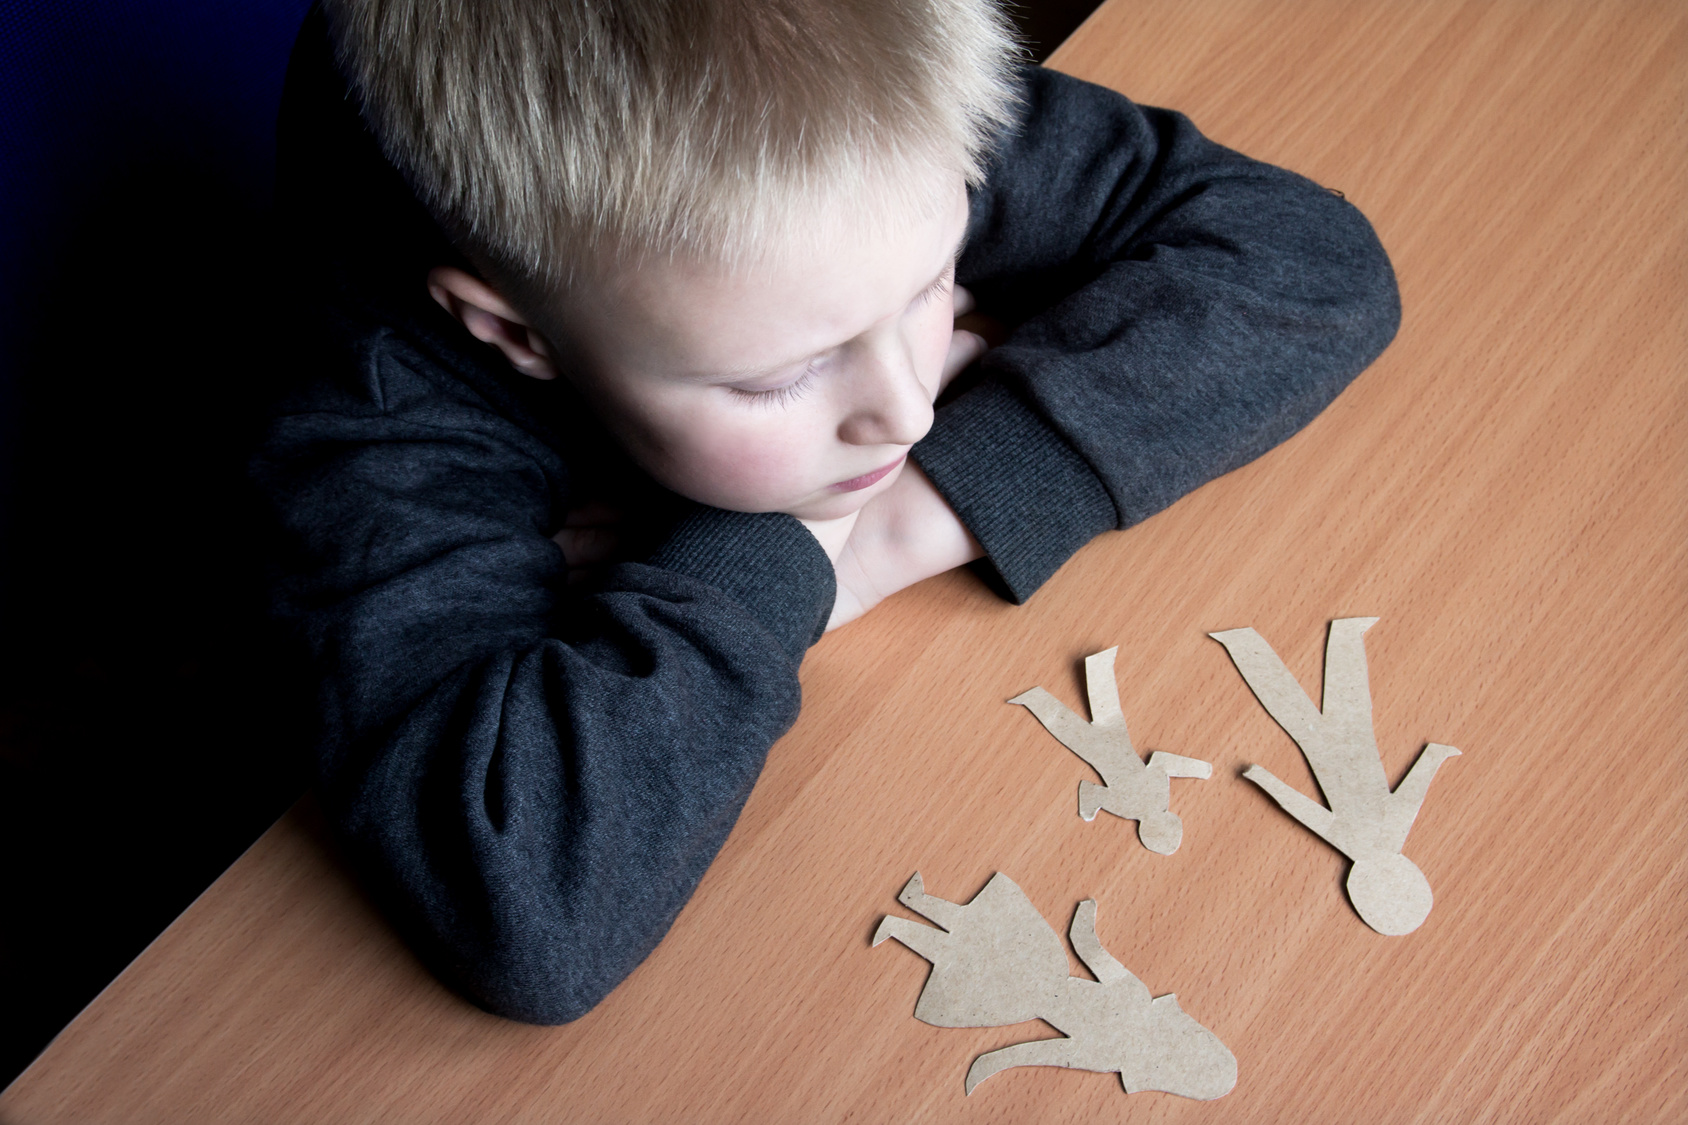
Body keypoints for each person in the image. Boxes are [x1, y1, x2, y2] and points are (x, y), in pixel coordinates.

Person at [254, 0, 1400, 1025]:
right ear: (514, 334)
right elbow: (531, 910)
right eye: (774, 378)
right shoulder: (373, 413)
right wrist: (778, 543)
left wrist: (897, 525)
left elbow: (1307, 263)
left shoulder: (850, 113)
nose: (905, 409)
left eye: (932, 287)